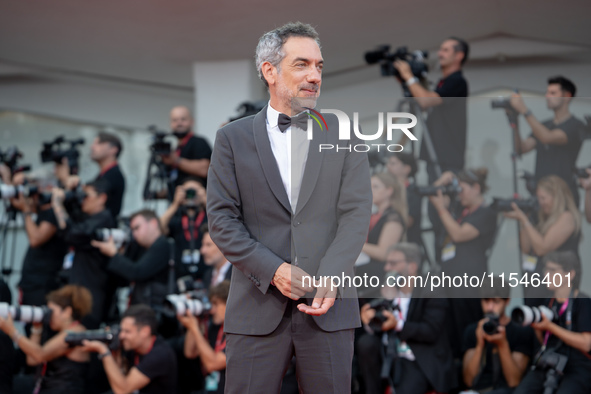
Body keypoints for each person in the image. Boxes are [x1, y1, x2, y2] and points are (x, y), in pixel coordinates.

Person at [206, 22, 372, 393]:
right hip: (255, 306)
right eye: (302, 64)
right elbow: (221, 220)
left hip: (329, 308)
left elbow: (356, 214)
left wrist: (330, 275)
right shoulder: (231, 139)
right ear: (269, 70)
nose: (314, 76)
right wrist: (274, 269)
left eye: (319, 66)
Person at [357, 243, 455, 394]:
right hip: (388, 355)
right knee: (366, 343)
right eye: (387, 263)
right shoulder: (386, 291)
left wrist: (397, 325)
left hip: (417, 358)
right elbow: (379, 326)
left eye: (393, 263)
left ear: (412, 266)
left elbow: (431, 331)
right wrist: (369, 322)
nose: (387, 268)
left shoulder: (432, 291)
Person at [429, 168, 497, 358]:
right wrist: (442, 181)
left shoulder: (487, 212)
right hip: (449, 278)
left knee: (468, 326)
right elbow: (431, 195)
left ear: (476, 188)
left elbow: (459, 234)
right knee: (450, 327)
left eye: (463, 189)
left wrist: (442, 209)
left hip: (469, 282)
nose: (459, 194)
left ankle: (472, 371)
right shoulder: (460, 210)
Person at [514, 251, 591, 394]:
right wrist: (537, 327)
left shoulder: (583, 301)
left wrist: (551, 326)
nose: (546, 274)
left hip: (576, 366)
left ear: (570, 274)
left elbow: (587, 343)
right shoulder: (549, 302)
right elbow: (544, 341)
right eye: (546, 269)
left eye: (553, 270)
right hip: (550, 361)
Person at [394, 36, 469, 180]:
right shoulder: (444, 82)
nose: (440, 54)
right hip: (437, 156)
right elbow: (421, 103)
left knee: (442, 199)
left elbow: (425, 101)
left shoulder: (457, 81)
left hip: (447, 158)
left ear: (459, 56)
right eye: (440, 50)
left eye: (446, 50)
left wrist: (409, 76)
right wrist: (406, 81)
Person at [0, 285, 93, 394]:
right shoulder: (64, 333)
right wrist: (37, 327)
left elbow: (40, 355)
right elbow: (32, 360)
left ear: (67, 312)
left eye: (51, 311)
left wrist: (12, 331)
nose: (49, 317)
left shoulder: (75, 333)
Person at [509, 76, 585, 206]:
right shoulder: (544, 125)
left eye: (553, 93)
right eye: (547, 92)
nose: (547, 96)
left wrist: (525, 111)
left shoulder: (576, 125)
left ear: (567, 96)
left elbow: (548, 138)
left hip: (563, 195)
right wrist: (514, 119)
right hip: (541, 195)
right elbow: (521, 148)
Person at [505, 175, 581, 301]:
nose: (540, 202)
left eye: (543, 198)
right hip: (537, 275)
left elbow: (542, 248)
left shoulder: (567, 217)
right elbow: (526, 248)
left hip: (557, 277)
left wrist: (524, 220)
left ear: (557, 197)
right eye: (538, 198)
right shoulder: (542, 218)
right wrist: (524, 217)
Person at [52, 179, 116, 328]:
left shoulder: (103, 219)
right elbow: (70, 221)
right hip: (80, 290)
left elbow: (72, 233)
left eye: (86, 195)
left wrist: (57, 203)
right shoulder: (90, 218)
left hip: (91, 296)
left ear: (102, 198)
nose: (83, 200)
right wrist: (70, 192)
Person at [81, 304, 177, 394]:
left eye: (127, 331)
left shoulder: (159, 354)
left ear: (145, 331)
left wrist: (104, 351)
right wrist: (115, 350)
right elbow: (120, 377)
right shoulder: (133, 347)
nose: (122, 335)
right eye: (121, 330)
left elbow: (123, 390)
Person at [463, 278, 536, 393]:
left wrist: (502, 344)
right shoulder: (473, 330)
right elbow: (469, 381)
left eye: (496, 301)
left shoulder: (521, 331)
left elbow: (514, 381)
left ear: (507, 301)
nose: (490, 307)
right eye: (486, 301)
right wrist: (479, 344)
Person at [91, 209, 172, 309]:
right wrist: (121, 254)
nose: (134, 234)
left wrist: (114, 254)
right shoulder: (142, 248)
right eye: (132, 230)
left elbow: (137, 272)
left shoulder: (162, 245)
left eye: (137, 228)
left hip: (152, 309)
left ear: (153, 223)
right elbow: (124, 279)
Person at [10, 174, 67, 306]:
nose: (33, 193)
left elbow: (35, 239)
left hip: (42, 284)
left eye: (36, 188)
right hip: (32, 282)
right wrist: (11, 180)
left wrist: (26, 211)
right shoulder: (42, 211)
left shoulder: (55, 213)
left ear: (49, 187)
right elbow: (17, 202)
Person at [58, 132, 125, 219]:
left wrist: (66, 178)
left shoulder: (113, 176)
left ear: (113, 149)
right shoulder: (104, 174)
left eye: (98, 143)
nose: (92, 147)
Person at [179, 280, 230, 394]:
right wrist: (195, 321)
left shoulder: (240, 331)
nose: (212, 309)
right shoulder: (214, 326)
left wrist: (195, 329)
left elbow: (212, 364)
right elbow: (190, 352)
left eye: (216, 304)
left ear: (229, 303)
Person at [358, 173, 407, 288]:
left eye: (375, 187)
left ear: (389, 191)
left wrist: (355, 243)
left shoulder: (393, 217)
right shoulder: (374, 215)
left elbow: (384, 253)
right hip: (365, 273)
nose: (370, 190)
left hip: (378, 277)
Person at [161, 178, 209, 281]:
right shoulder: (177, 217)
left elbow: (223, 224)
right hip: (180, 275)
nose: (191, 194)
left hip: (206, 272)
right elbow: (159, 229)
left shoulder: (209, 217)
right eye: (187, 191)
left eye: (195, 191)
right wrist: (175, 204)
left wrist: (207, 201)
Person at [160, 106, 212, 190]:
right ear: (170, 123)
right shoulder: (168, 146)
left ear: (192, 121)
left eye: (183, 119)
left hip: (197, 199)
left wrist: (176, 160)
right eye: (175, 120)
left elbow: (205, 170)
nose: (179, 123)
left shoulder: (199, 142)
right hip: (174, 198)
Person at [385, 152, 422, 245]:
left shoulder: (413, 191)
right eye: (388, 163)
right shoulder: (385, 189)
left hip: (406, 244)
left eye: (393, 163)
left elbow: (409, 221)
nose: (388, 167)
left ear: (406, 169)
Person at [199, 224, 232, 289]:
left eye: (208, 245)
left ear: (223, 246)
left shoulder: (237, 275)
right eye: (202, 244)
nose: (202, 251)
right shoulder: (207, 275)